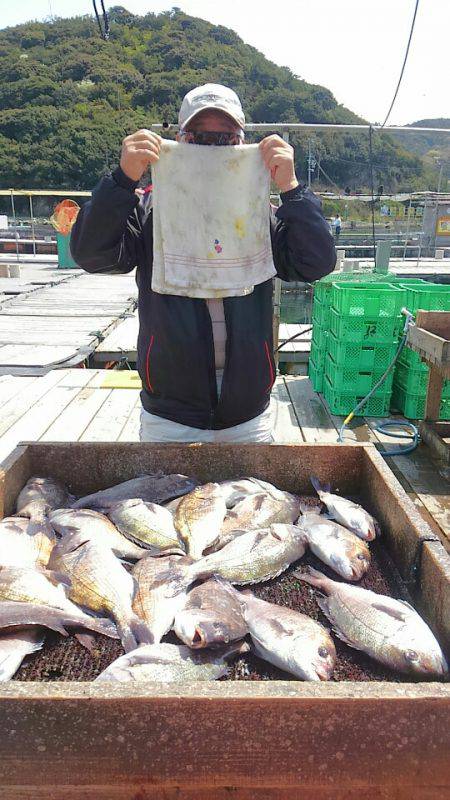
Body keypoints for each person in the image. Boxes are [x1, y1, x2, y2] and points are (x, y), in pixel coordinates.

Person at [70, 83, 336, 443]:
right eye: (199, 138)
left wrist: (291, 189)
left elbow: (315, 263)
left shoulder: (260, 216)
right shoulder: (150, 212)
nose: (212, 149)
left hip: (247, 414)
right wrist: (121, 180)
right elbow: (93, 255)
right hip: (169, 415)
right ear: (179, 139)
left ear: (241, 144)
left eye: (225, 139)